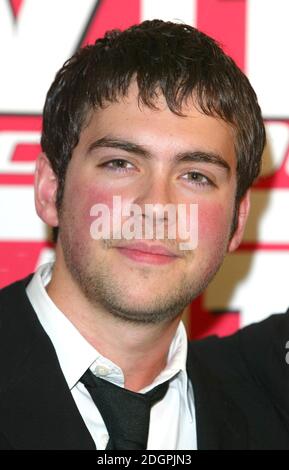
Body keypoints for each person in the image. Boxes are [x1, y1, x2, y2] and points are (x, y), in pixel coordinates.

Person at [0, 20, 288, 450]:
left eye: (196, 175)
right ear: (49, 188)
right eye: (121, 163)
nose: (156, 207)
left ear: (237, 220)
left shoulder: (270, 398)